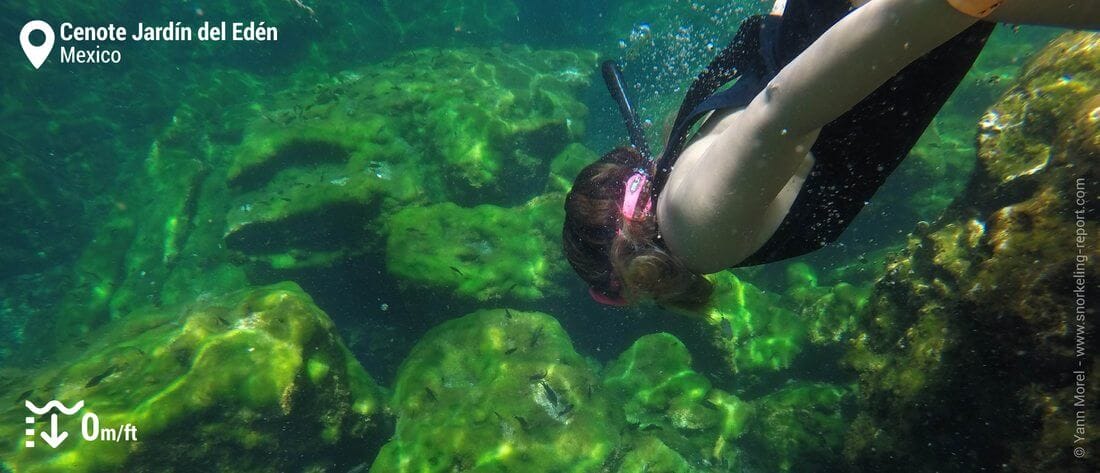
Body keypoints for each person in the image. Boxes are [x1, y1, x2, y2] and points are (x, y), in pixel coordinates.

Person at [562, 0, 1099, 310]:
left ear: (628, 268)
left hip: (894, 23)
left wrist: (946, 7)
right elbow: (774, 43)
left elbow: (781, 112)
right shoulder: (680, 171)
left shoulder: (694, 234)